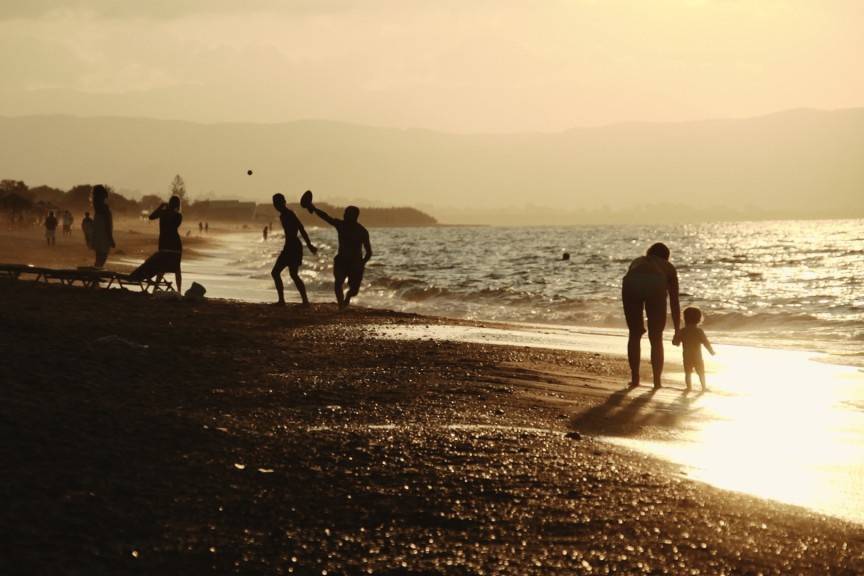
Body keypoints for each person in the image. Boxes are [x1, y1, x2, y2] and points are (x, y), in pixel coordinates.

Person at [621, 242, 681, 389]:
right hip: (656, 282)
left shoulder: (637, 261)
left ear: (649, 253)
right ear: (666, 257)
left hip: (631, 282)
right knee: (656, 336)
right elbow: (674, 301)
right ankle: (657, 381)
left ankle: (635, 378)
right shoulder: (668, 267)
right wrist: (677, 330)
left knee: (634, 334)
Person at [305, 194, 372, 308]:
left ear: (354, 216)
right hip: (341, 260)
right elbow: (326, 217)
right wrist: (314, 208)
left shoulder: (362, 231)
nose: (344, 215)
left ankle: (348, 297)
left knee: (354, 290)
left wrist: (362, 263)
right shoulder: (341, 225)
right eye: (345, 213)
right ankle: (341, 305)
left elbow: (369, 252)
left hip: (355, 263)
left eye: (347, 213)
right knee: (338, 283)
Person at [129, 196, 184, 292]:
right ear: (178, 205)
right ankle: (179, 291)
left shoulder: (164, 213)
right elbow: (153, 218)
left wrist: (161, 207)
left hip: (165, 244)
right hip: (175, 245)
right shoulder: (178, 216)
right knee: (176, 269)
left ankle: (155, 288)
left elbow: (151, 217)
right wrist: (164, 209)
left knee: (161, 268)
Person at [270, 193, 316, 305]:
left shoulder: (289, 214)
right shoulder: (283, 215)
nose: (276, 205)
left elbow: (301, 228)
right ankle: (290, 301)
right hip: (290, 246)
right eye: (275, 203)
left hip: (293, 247)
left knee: (279, 273)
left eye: (278, 203)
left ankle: (299, 301)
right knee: (286, 274)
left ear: (283, 202)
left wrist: (309, 245)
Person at [680, 307, 716, 391]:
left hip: (686, 356)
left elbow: (676, 343)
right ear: (699, 319)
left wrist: (676, 339)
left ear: (684, 318)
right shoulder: (699, 331)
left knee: (688, 373)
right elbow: (705, 342)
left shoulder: (683, 331)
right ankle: (703, 387)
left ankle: (689, 387)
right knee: (701, 372)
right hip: (697, 356)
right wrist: (711, 351)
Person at [91, 184, 115, 268]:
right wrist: (111, 239)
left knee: (98, 258)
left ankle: (95, 277)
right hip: (104, 237)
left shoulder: (97, 208)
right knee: (102, 258)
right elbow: (107, 225)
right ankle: (95, 276)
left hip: (97, 236)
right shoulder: (104, 208)